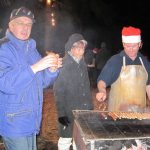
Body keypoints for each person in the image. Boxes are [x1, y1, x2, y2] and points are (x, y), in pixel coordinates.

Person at [0, 6, 62, 150]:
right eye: (21, 22)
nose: (25, 27)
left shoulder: (31, 49)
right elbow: (4, 83)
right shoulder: (4, 48)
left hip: (31, 119)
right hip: (14, 121)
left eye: (28, 24)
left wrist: (52, 70)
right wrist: (34, 67)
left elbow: (41, 82)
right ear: (11, 25)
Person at [53, 33, 94, 150]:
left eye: (83, 48)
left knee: (79, 139)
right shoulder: (63, 64)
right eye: (79, 48)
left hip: (82, 110)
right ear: (72, 48)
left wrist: (89, 107)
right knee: (65, 139)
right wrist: (61, 114)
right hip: (68, 109)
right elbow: (58, 91)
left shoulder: (82, 64)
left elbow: (86, 87)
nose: (82, 51)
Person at [96, 26, 150, 112]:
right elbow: (102, 81)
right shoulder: (115, 61)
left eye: (134, 46)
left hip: (140, 113)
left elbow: (148, 85)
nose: (131, 49)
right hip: (117, 113)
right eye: (128, 46)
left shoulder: (144, 61)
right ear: (123, 44)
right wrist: (102, 91)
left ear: (139, 44)